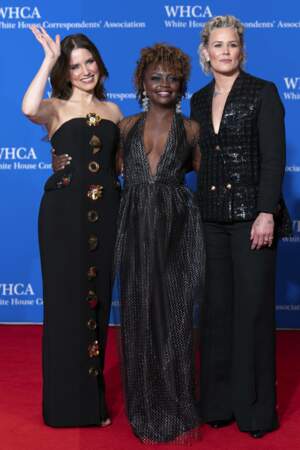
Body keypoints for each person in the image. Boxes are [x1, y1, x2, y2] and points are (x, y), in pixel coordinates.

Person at [190, 15, 292, 439]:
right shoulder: (195, 100)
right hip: (209, 217)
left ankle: (254, 413)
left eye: (232, 44)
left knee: (251, 314)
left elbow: (273, 159)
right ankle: (217, 404)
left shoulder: (263, 92)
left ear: (241, 50)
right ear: (206, 52)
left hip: (253, 219)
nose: (226, 51)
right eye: (218, 45)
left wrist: (266, 211)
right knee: (215, 312)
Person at [22, 26, 122, 427]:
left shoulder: (115, 111)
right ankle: (64, 407)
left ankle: (93, 405)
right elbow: (28, 108)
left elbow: (120, 166)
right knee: (65, 308)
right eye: (75, 65)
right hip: (64, 217)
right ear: (65, 71)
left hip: (108, 214)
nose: (84, 71)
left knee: (96, 307)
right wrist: (48, 60)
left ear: (99, 62)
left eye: (89, 62)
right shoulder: (55, 106)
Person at [113, 43, 205, 443]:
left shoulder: (192, 129)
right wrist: (61, 161)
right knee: (138, 318)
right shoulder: (125, 127)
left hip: (178, 231)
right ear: (142, 83)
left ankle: (178, 404)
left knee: (176, 318)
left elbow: (209, 173)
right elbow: (103, 171)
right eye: (156, 78)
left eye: (172, 78)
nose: (164, 84)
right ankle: (146, 408)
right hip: (133, 230)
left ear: (182, 84)